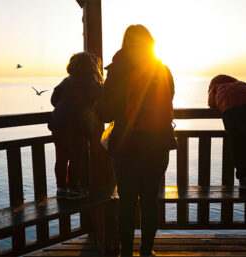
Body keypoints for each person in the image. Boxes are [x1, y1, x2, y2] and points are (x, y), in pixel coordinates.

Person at [96, 24, 176, 256]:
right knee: (150, 200)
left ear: (126, 43)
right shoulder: (162, 69)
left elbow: (105, 112)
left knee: (127, 201)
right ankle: (147, 252)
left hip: (127, 146)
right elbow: (169, 98)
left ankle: (127, 253)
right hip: (159, 144)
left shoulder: (120, 68)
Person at [48, 52, 103, 199]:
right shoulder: (94, 85)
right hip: (79, 125)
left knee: (61, 157)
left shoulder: (66, 81)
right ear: (93, 67)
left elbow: (54, 100)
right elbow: (100, 102)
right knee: (76, 158)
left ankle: (61, 189)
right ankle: (73, 188)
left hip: (59, 123)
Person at [208, 74, 246, 196]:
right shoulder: (242, 84)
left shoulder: (217, 87)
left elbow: (211, 103)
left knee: (237, 144)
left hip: (232, 108)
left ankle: (244, 181)